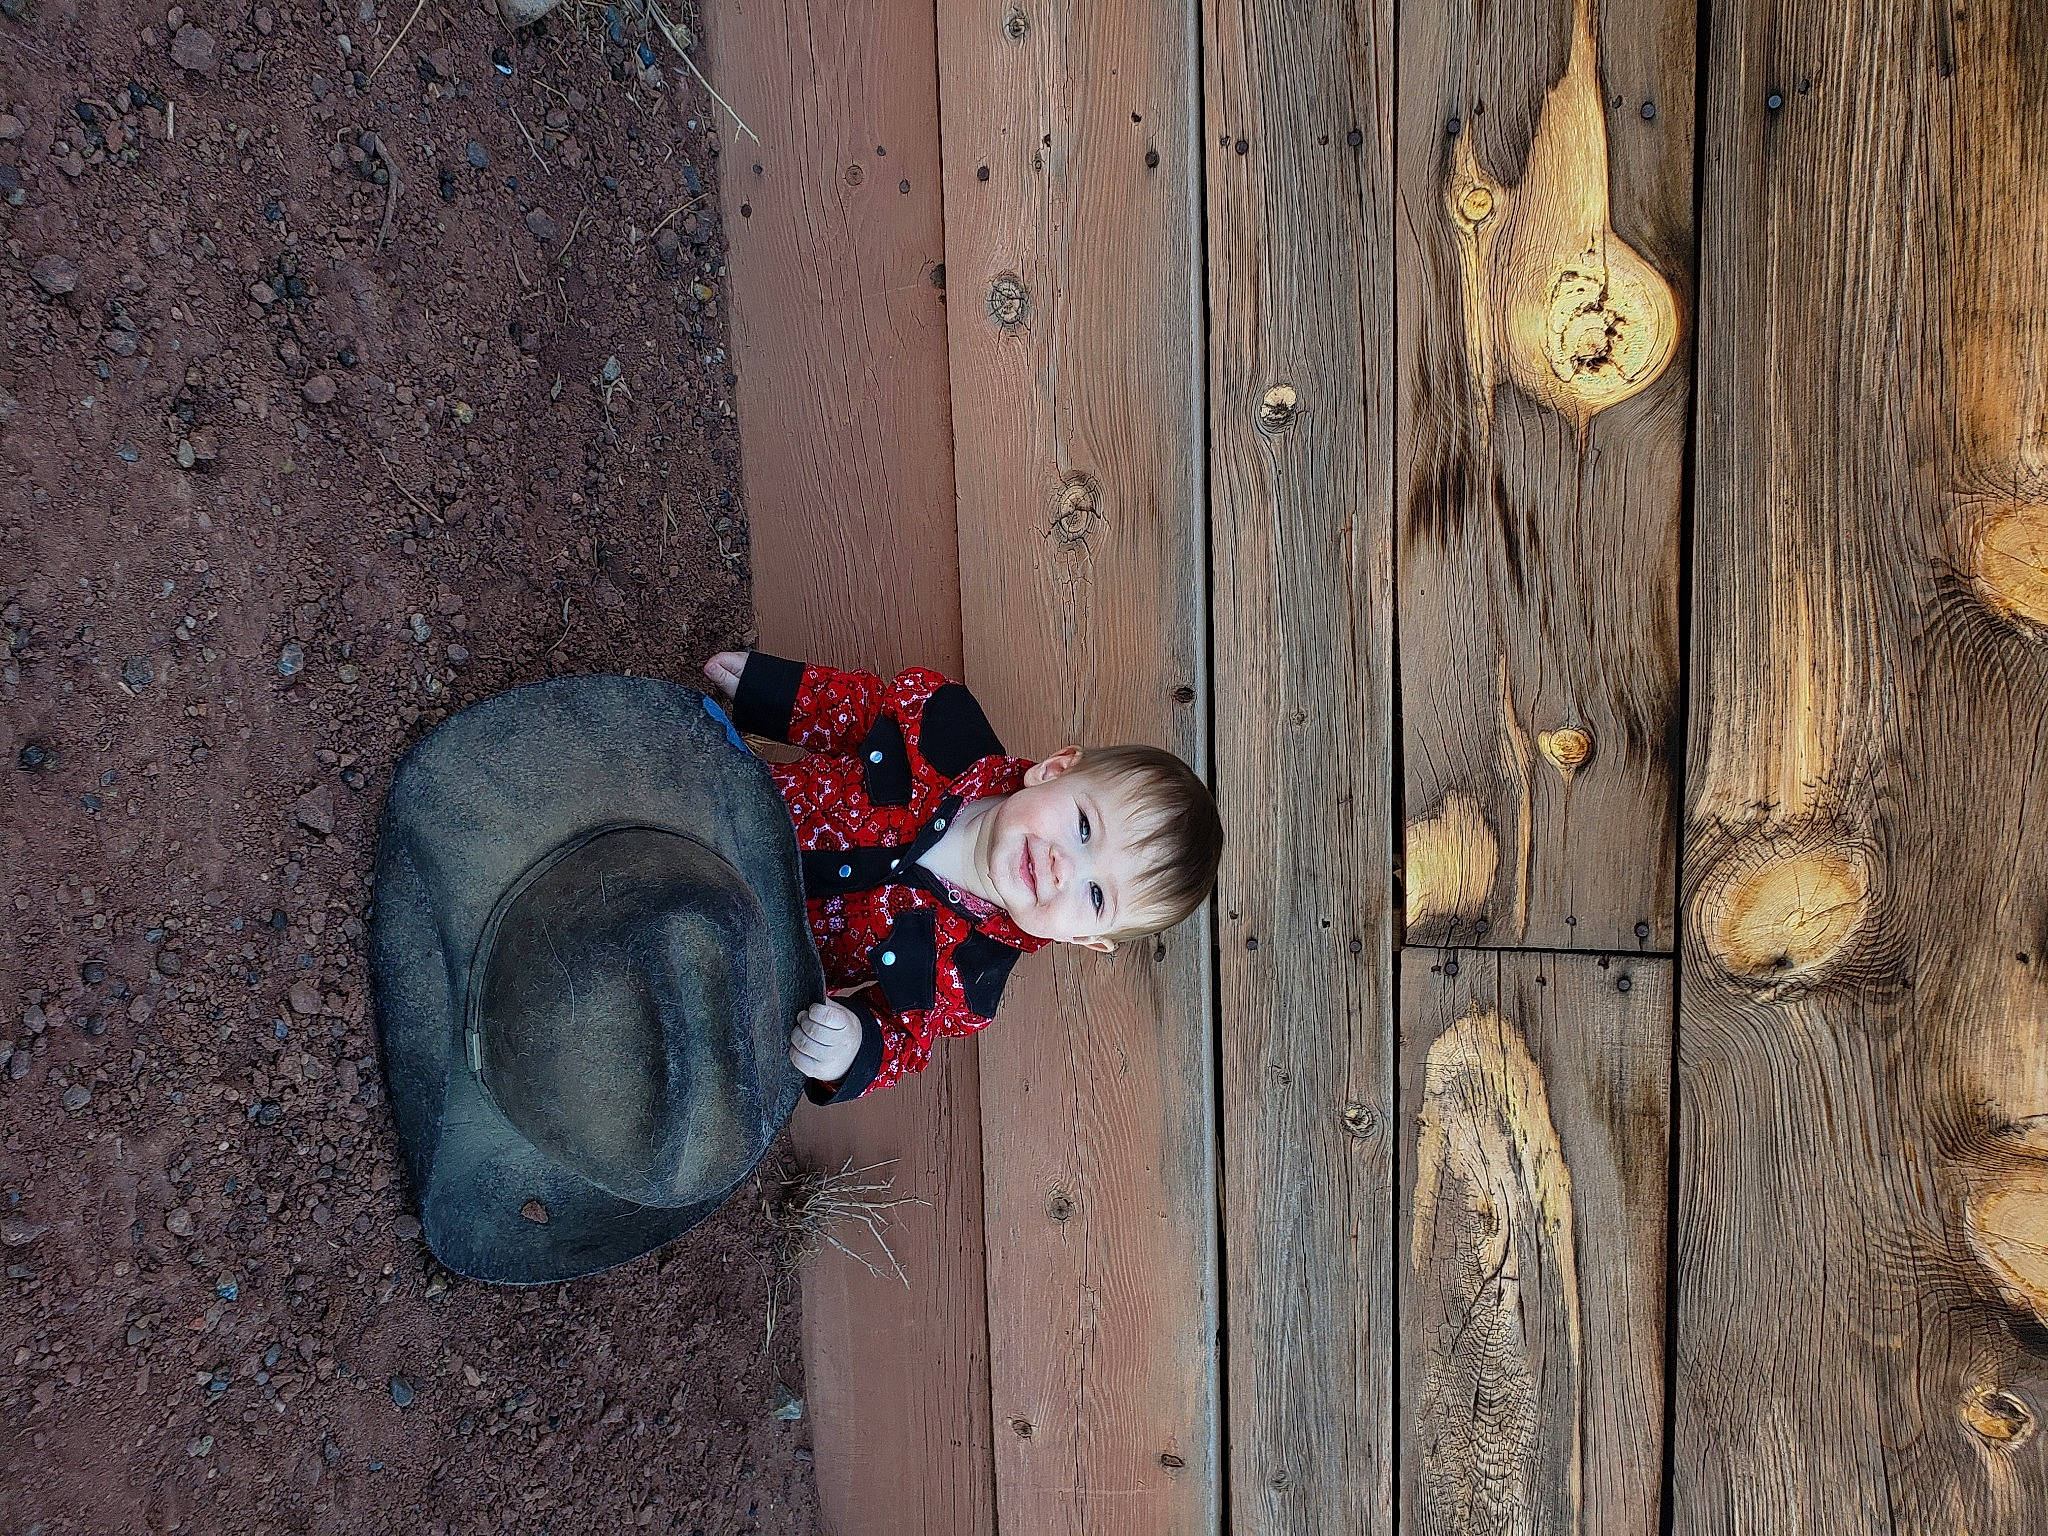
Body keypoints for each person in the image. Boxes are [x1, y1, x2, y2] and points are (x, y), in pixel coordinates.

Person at [703, 650, 1223, 1103]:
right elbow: (853, 710)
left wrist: (851, 1047)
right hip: (723, 805)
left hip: (741, 944)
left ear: (1082, 938)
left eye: (1094, 894)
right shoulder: (943, 728)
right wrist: (768, 689)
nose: (1065, 868)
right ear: (1056, 770)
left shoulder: (967, 980)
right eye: (1084, 828)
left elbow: (901, 1039)